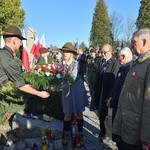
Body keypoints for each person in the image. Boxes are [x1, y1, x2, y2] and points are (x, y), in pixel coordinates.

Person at [112, 28, 150, 150]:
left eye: (134, 42)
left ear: (145, 42)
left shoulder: (148, 65)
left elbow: (148, 104)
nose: (131, 46)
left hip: (135, 131)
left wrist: (146, 138)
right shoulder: (137, 63)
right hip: (126, 126)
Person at [0, 26, 50, 98]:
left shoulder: (3, 54)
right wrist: (40, 93)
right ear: (14, 41)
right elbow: (21, 86)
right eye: (20, 41)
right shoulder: (9, 59)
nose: (21, 44)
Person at [60, 42, 88, 146]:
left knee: (79, 112)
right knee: (67, 113)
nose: (64, 53)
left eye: (67, 52)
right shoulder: (60, 64)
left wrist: (59, 84)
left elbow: (71, 78)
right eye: (63, 52)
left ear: (71, 53)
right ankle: (66, 133)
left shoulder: (76, 64)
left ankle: (80, 134)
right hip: (66, 90)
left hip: (77, 90)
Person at [92, 44, 119, 138]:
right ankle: (102, 132)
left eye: (105, 52)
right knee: (101, 114)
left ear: (110, 51)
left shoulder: (115, 63)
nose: (102, 54)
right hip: (100, 92)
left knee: (107, 116)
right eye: (101, 52)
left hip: (107, 93)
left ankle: (108, 135)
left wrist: (110, 96)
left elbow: (114, 81)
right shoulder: (102, 62)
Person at [107, 47, 133, 122]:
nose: (117, 60)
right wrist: (111, 97)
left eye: (118, 57)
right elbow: (116, 84)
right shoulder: (123, 68)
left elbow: (123, 89)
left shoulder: (129, 69)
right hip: (115, 103)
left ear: (123, 57)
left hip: (121, 106)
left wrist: (112, 101)